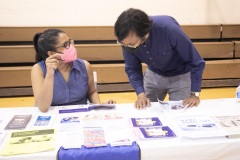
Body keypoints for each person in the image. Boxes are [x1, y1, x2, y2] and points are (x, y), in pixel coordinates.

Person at [114, 8, 205, 109]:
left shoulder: (169, 29)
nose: (127, 46)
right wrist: (140, 94)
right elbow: (132, 68)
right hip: (153, 74)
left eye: (130, 44)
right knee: (147, 111)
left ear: (144, 35)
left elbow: (196, 61)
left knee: (180, 112)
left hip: (181, 75)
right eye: (123, 44)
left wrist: (194, 94)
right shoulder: (127, 42)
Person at [32, 29, 115, 112]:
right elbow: (43, 107)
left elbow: (92, 92)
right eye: (66, 44)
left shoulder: (85, 65)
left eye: (70, 42)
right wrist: (50, 73)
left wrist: (99, 106)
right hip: (54, 117)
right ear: (51, 53)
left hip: (82, 115)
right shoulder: (38, 69)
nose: (71, 47)